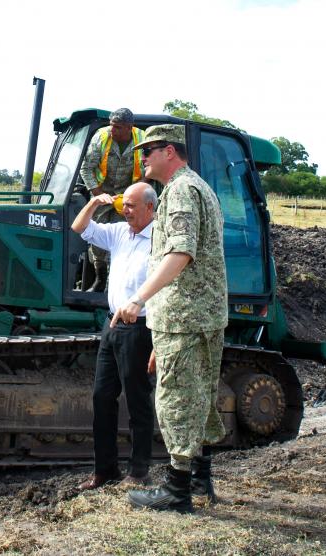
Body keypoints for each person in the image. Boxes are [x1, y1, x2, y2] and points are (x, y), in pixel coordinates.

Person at [111, 124, 228, 513]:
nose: (142, 158)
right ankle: (200, 479)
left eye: (148, 151)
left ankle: (177, 491)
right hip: (201, 315)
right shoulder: (199, 188)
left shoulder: (178, 192)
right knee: (201, 396)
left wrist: (138, 299)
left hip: (184, 315)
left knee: (177, 399)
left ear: (169, 152)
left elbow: (180, 253)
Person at [72, 182, 159, 491]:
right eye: (125, 205)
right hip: (112, 326)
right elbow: (79, 226)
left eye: (132, 205)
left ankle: (138, 472)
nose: (126, 210)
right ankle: (105, 470)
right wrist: (95, 202)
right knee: (101, 397)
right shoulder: (120, 232)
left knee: (137, 401)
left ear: (150, 208)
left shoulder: (160, 240)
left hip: (140, 328)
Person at [78, 108, 146, 291]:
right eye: (111, 126)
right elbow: (86, 169)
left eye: (117, 127)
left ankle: (115, 284)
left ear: (129, 127)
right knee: (97, 236)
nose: (112, 130)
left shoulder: (143, 139)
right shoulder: (101, 137)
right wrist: (99, 195)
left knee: (124, 236)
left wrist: (133, 196)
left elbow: (149, 172)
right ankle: (100, 279)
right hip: (102, 192)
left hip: (128, 196)